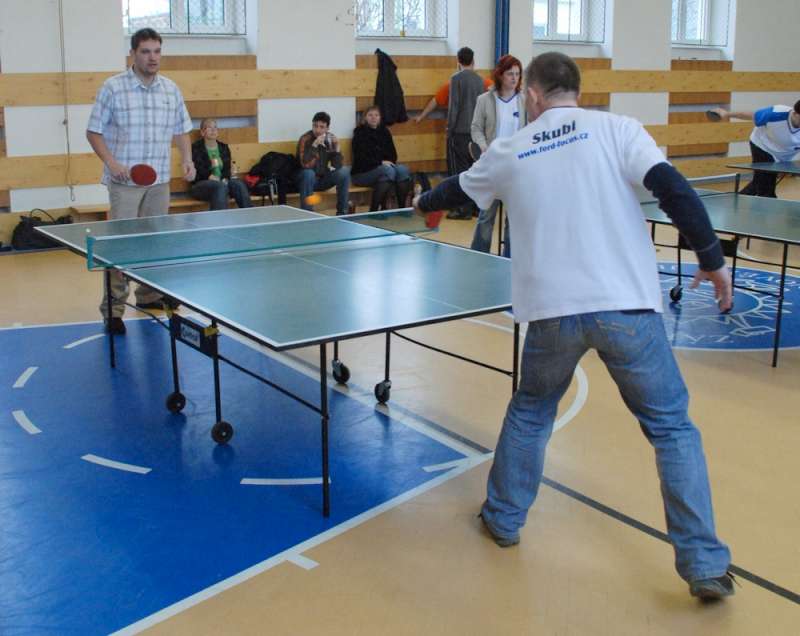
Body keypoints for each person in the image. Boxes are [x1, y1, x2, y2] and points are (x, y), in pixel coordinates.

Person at [413, 52, 735, 600]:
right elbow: (674, 190)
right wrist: (711, 258)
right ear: (576, 92)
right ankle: (703, 564)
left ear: (534, 95)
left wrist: (423, 200)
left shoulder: (511, 148)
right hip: (627, 307)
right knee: (672, 429)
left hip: (552, 314)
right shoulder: (619, 130)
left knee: (532, 411)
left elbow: (456, 191)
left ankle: (503, 519)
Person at [86, 28, 195, 335]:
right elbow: (93, 131)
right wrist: (112, 163)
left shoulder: (170, 90)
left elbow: (181, 130)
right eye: (146, 51)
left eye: (157, 51)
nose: (152, 57)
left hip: (159, 181)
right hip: (124, 182)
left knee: (154, 242)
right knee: (120, 246)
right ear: (133, 54)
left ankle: (149, 295)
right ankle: (113, 310)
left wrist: (187, 158)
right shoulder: (113, 87)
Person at [470, 54, 527, 254]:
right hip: (492, 164)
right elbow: (476, 128)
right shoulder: (484, 100)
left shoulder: (524, 100)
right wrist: (483, 146)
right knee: (486, 216)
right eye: (510, 74)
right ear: (500, 75)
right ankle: (479, 256)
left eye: (517, 74)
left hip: (516, 166)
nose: (514, 78)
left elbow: (530, 129)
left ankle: (510, 258)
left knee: (514, 218)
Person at [711, 102, 800, 197]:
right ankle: (767, 202)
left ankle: (737, 200)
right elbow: (751, 115)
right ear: (795, 113)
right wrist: (727, 114)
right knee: (766, 189)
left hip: (784, 153)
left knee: (759, 181)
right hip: (763, 146)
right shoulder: (775, 114)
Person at [445, 47, 489, 220]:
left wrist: (449, 129)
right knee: (474, 170)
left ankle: (462, 209)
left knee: (459, 171)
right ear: (473, 60)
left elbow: (454, 107)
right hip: (476, 132)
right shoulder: (480, 80)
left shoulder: (455, 79)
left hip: (460, 131)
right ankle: (475, 208)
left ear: (458, 61)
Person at [351, 105, 412, 211]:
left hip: (383, 169)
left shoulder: (384, 132)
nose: (373, 118)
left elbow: (393, 154)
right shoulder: (359, 133)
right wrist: (380, 162)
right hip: (362, 173)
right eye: (370, 115)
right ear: (365, 118)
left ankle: (401, 209)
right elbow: (361, 158)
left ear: (380, 118)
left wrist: (387, 162)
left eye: (376, 115)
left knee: (403, 170)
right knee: (388, 171)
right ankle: (374, 210)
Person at [189, 118, 253, 210]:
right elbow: (197, 169)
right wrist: (209, 176)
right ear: (202, 132)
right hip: (200, 184)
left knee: (238, 184)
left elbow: (227, 169)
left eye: (215, 127)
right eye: (209, 128)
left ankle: (250, 215)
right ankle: (220, 218)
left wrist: (224, 179)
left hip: (222, 182)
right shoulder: (196, 148)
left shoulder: (224, 147)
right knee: (220, 187)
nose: (213, 130)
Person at [296, 112, 351, 215]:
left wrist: (337, 148)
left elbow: (337, 166)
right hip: (306, 180)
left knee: (344, 172)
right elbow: (304, 164)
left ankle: (342, 213)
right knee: (308, 173)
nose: (317, 130)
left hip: (323, 179)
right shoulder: (305, 139)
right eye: (315, 126)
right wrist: (314, 146)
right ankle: (307, 215)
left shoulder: (330, 139)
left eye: (322, 127)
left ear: (327, 128)